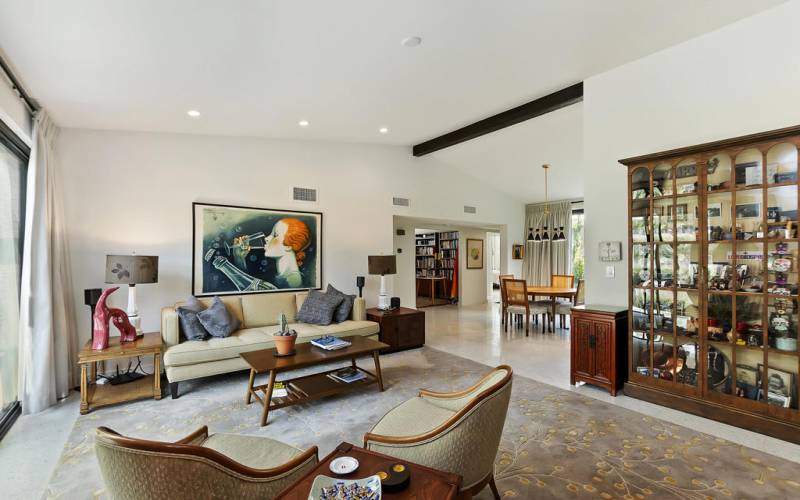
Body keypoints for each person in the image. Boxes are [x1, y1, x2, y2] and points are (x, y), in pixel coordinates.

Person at [264, 217, 311, 288]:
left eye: (275, 235)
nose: (266, 238)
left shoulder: (293, 281)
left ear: (288, 246)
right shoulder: (285, 276)